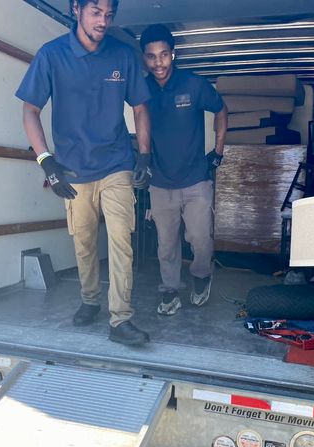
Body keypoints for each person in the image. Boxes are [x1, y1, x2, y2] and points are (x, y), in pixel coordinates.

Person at [16, 0, 152, 345]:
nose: (103, 21)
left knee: (122, 240)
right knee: (85, 241)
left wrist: (145, 157)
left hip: (116, 164)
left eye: (109, 15)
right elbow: (30, 109)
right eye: (95, 12)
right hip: (73, 169)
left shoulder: (122, 55)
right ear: (75, 9)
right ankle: (90, 299)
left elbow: (140, 106)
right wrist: (46, 161)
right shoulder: (52, 55)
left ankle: (120, 319)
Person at [140, 24, 228, 315]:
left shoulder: (194, 84)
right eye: (151, 57)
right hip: (160, 180)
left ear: (173, 54)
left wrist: (218, 150)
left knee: (200, 239)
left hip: (195, 179)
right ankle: (170, 290)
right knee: (166, 244)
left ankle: (202, 276)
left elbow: (220, 109)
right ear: (144, 58)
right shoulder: (142, 89)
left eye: (164, 55)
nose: (158, 63)